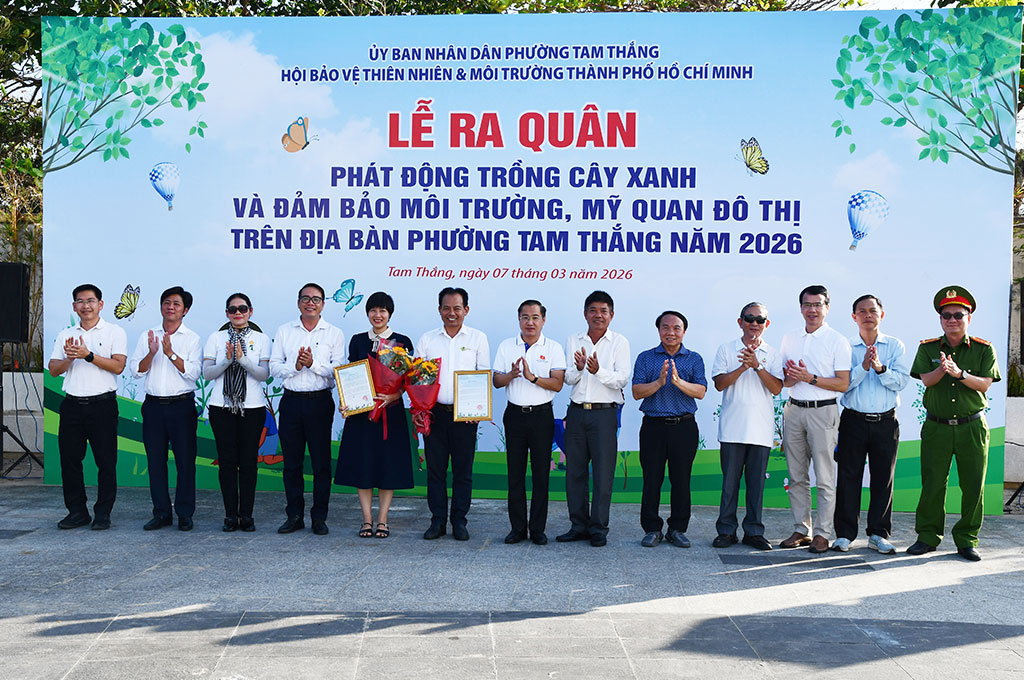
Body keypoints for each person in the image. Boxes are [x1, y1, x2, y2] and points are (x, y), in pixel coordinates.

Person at [907, 286, 999, 561]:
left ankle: (967, 539)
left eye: (958, 315)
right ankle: (927, 537)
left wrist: (959, 374)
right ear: (940, 319)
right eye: (946, 315)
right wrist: (941, 369)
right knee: (933, 483)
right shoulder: (928, 347)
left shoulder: (984, 348)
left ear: (968, 317)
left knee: (973, 485)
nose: (952, 320)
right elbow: (926, 380)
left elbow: (985, 384)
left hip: (972, 426)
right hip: (937, 427)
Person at [334, 291, 415, 539]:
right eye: (373, 310)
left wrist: (395, 395)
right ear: (367, 313)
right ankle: (366, 519)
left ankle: (383, 520)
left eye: (382, 311)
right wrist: (346, 403)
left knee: (387, 466)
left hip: (390, 414)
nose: (377, 315)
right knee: (364, 465)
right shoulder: (358, 340)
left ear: (390, 314)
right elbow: (350, 375)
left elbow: (410, 379)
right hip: (362, 415)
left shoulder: (402, 341)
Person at [833, 295, 909, 554]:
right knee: (848, 477)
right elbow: (843, 385)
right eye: (862, 311)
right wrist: (863, 367)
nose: (868, 315)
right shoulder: (845, 346)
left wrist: (880, 368)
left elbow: (901, 382)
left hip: (885, 422)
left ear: (881, 315)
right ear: (854, 317)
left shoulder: (894, 345)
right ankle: (844, 534)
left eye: (872, 310)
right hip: (853, 420)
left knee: (883, 479)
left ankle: (878, 534)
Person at [48, 284, 127, 530]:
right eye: (80, 301)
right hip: (72, 405)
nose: (86, 306)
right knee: (70, 461)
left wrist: (88, 355)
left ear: (100, 304)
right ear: (74, 306)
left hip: (102, 405)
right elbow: (53, 370)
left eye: (90, 301)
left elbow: (118, 366)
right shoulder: (66, 334)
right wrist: (70, 358)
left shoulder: (114, 332)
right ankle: (77, 512)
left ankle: (103, 513)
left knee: (106, 462)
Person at [779, 285, 851, 553]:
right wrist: (792, 377)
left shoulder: (837, 340)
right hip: (794, 409)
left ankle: (823, 533)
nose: (812, 310)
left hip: (823, 411)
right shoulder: (790, 337)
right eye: (807, 305)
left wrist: (810, 378)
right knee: (796, 475)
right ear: (801, 308)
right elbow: (786, 380)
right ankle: (802, 529)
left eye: (818, 304)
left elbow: (842, 383)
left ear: (827, 308)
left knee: (824, 476)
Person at [557, 290, 631, 547]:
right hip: (577, 413)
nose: (598, 315)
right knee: (575, 472)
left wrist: (598, 371)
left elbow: (622, 379)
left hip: (604, 414)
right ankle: (578, 525)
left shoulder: (619, 342)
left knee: (602, 473)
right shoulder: (573, 340)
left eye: (603, 311)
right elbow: (568, 378)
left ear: (611, 315)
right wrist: (579, 368)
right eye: (593, 311)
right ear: (585, 313)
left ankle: (599, 528)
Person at [270, 283, 345, 536]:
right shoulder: (285, 331)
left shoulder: (334, 333)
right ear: (298, 302)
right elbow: (274, 367)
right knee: (292, 463)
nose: (310, 303)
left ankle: (319, 517)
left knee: (321, 463)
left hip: (319, 403)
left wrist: (313, 364)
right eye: (305, 298)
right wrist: (296, 366)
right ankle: (294, 516)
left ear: (323, 304)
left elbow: (337, 371)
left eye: (316, 299)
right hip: (291, 402)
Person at [417, 287, 490, 541]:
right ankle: (437, 521)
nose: (452, 313)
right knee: (435, 471)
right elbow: (418, 379)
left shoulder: (478, 338)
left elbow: (483, 375)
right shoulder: (427, 339)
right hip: (434, 414)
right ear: (439, 310)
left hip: (465, 417)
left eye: (457, 308)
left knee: (463, 471)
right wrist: (420, 408)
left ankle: (459, 521)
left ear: (466, 310)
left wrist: (476, 408)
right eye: (446, 308)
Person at [492, 299, 566, 546]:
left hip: (541, 416)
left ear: (543, 320)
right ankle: (517, 528)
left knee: (541, 475)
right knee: (515, 474)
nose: (530, 322)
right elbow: (496, 381)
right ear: (519, 319)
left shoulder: (553, 347)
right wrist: (512, 375)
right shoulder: (506, 346)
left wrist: (532, 378)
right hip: (514, 415)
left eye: (535, 317)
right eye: (525, 317)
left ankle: (537, 529)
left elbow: (557, 383)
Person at [711, 302, 783, 551]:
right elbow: (720, 383)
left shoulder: (772, 353)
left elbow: (776, 388)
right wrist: (743, 366)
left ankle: (754, 532)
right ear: (740, 322)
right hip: (732, 429)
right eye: (749, 318)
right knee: (729, 485)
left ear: (766, 324)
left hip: (760, 430)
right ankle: (726, 531)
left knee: (756, 486)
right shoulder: (726, 349)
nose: (754, 323)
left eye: (759, 320)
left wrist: (757, 365)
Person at [129, 286, 202, 531]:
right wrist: (152, 353)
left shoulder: (192, 339)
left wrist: (170, 354)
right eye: (167, 302)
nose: (171, 307)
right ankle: (161, 513)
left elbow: (193, 373)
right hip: (153, 407)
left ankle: (185, 513)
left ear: (185, 310)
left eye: (176, 304)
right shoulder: (148, 335)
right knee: (155, 462)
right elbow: (136, 371)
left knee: (185, 462)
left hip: (182, 406)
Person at [631, 311, 707, 548]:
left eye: (676, 328)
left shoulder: (694, 359)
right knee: (651, 479)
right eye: (665, 327)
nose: (670, 332)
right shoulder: (646, 358)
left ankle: (677, 529)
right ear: (658, 330)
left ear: (684, 331)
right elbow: (636, 392)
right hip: (653, 427)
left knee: (681, 480)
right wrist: (659, 382)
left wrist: (678, 382)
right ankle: (652, 529)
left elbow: (701, 391)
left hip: (684, 427)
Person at [202, 293, 271, 532]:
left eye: (242, 308)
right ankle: (230, 515)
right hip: (221, 407)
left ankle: (247, 515)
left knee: (249, 462)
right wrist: (227, 361)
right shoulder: (216, 337)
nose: (238, 313)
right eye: (233, 309)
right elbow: (207, 373)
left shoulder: (261, 339)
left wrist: (243, 361)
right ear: (227, 313)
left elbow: (264, 375)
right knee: (227, 462)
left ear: (250, 311)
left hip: (252, 407)